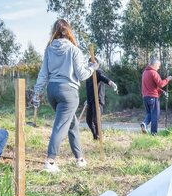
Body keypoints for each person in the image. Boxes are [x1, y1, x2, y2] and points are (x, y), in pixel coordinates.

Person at [32, 19, 97, 173]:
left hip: (52, 91)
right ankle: (50, 161)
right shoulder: (74, 50)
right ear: (69, 31)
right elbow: (81, 75)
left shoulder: (49, 49)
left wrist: (37, 92)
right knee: (61, 126)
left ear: (54, 31)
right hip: (68, 92)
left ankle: (80, 158)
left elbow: (43, 74)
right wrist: (92, 67)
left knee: (71, 123)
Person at [140, 56, 172, 134]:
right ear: (154, 65)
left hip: (145, 97)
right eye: (158, 66)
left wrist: (161, 91)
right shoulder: (153, 72)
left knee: (149, 113)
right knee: (155, 115)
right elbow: (161, 84)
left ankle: (144, 124)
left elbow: (152, 86)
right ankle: (154, 133)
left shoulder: (145, 72)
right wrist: (168, 79)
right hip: (153, 98)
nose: (159, 67)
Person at [84, 67, 117, 140]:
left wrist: (112, 84)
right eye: (89, 62)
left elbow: (104, 78)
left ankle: (99, 137)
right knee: (88, 120)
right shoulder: (88, 74)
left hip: (98, 101)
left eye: (93, 62)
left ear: (97, 64)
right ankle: (96, 136)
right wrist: (87, 99)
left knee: (96, 119)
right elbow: (88, 88)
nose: (91, 63)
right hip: (90, 101)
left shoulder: (98, 72)